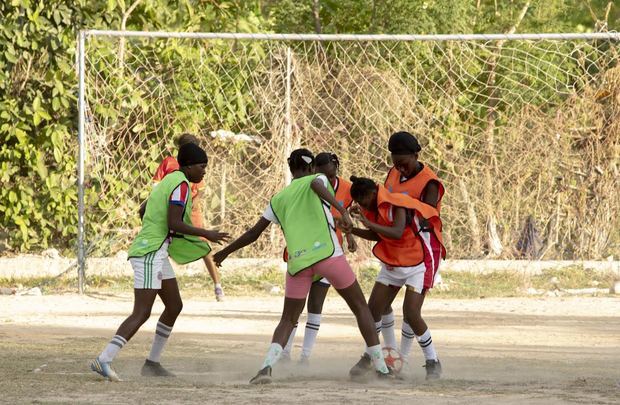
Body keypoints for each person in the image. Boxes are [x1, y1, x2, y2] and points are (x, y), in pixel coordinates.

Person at [213, 149, 393, 384]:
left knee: (288, 319)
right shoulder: (317, 179)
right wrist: (340, 208)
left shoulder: (278, 198)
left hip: (298, 263)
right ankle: (381, 369)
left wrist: (225, 252)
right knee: (360, 307)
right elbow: (317, 187)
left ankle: (266, 367)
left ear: (291, 170)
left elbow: (253, 233)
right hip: (328, 256)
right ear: (311, 168)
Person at [90, 143, 229, 381]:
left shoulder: (169, 180)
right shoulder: (182, 185)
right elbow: (174, 222)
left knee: (174, 306)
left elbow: (143, 210)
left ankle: (152, 363)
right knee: (142, 312)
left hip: (157, 250)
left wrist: (160, 231)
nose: (205, 171)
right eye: (202, 166)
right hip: (150, 252)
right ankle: (104, 359)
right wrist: (206, 233)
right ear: (189, 165)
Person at [347, 175, 445, 380]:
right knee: (372, 310)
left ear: (373, 193)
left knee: (411, 313)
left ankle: (432, 361)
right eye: (360, 203)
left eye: (365, 201)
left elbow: (397, 232)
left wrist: (367, 223)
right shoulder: (370, 208)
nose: (363, 206)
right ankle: (371, 356)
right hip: (392, 264)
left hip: (415, 265)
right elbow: (378, 236)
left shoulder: (396, 203)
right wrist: (353, 229)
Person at [281, 152, 358, 365]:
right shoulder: (310, 185)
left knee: (316, 304)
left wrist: (350, 235)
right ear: (314, 169)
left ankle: (304, 356)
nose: (325, 176)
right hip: (303, 251)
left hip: (329, 251)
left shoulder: (346, 188)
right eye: (321, 171)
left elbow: (347, 215)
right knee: (294, 309)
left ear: (336, 168)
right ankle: (285, 353)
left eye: (330, 172)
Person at [153, 133, 225, 301]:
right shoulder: (176, 171)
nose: (203, 171)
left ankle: (217, 285)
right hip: (173, 207)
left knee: (202, 245)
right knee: (177, 240)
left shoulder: (193, 172)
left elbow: (197, 194)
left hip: (188, 208)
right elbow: (157, 188)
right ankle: (163, 277)